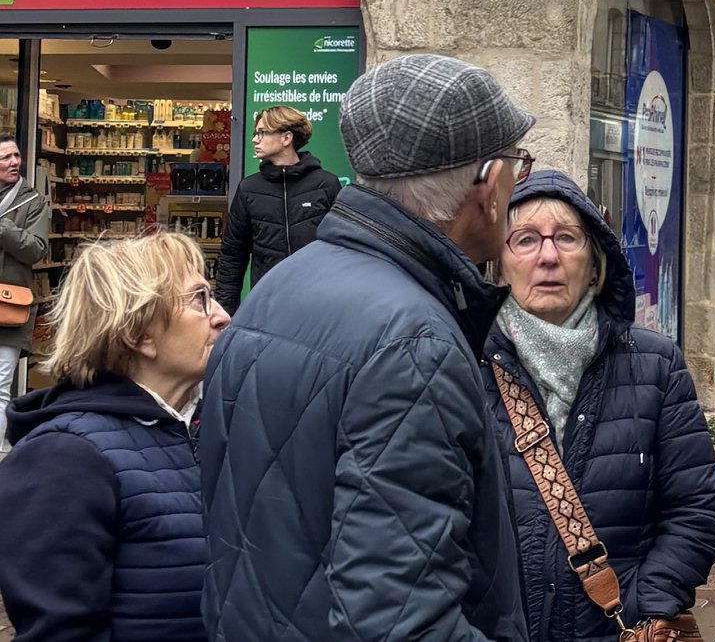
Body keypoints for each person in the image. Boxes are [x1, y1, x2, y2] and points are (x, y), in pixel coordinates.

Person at [200, 55, 534, 641]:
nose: (516, 184)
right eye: (516, 165)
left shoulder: (278, 289)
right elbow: (398, 620)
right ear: (485, 183)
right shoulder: (413, 343)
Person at [482, 170, 715, 642]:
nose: (548, 257)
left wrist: (646, 606)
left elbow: (695, 507)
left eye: (567, 239)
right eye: (525, 240)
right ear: (499, 263)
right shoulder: (466, 363)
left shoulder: (655, 364)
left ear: (595, 263)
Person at [0, 232, 229, 641]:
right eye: (199, 299)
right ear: (137, 335)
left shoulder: (200, 427)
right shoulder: (65, 459)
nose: (222, 315)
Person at [215, 106, 342, 314]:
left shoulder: (325, 185)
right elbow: (232, 257)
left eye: (262, 133)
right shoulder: (249, 189)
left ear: (286, 138)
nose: (255, 139)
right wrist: (225, 314)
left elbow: (343, 249)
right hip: (267, 306)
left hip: (320, 307)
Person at [0, 134, 49, 452]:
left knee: (0, 386)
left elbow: (36, 249)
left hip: (8, 308)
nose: (14, 162)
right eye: (5, 158)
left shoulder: (32, 202)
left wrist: (4, 229)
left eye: (16, 156)